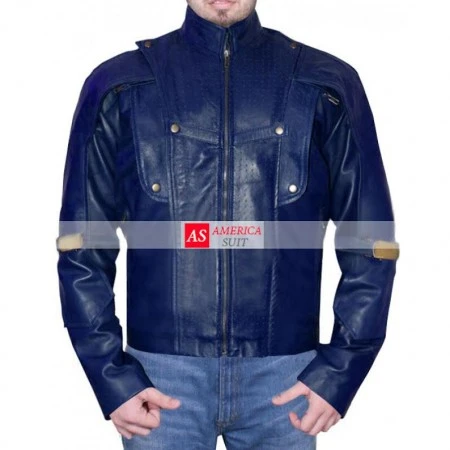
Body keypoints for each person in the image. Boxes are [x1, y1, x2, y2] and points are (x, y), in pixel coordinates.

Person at [55, 0, 399, 448]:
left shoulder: (325, 83)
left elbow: (371, 240)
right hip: (158, 378)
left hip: (287, 378)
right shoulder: (120, 85)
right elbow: (82, 244)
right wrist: (111, 377)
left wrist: (340, 371)